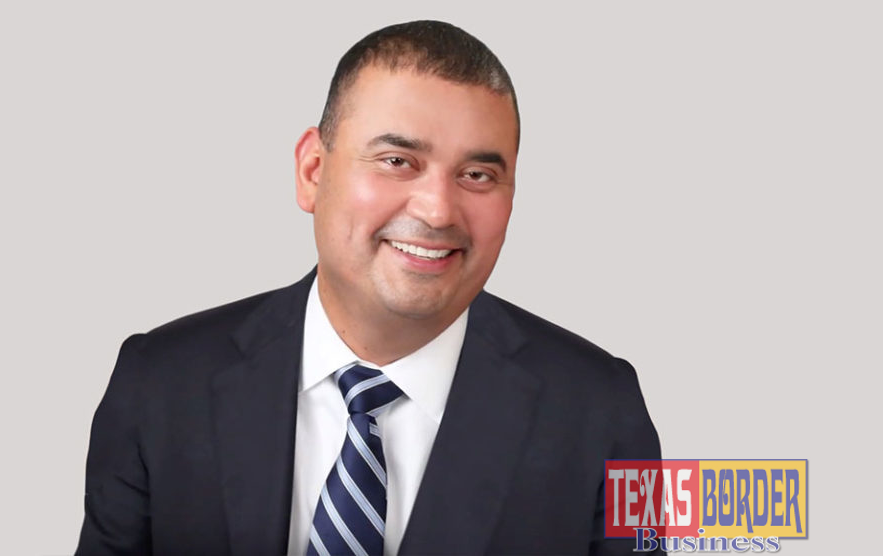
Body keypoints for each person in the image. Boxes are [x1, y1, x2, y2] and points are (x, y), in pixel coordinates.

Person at [76, 20, 661, 556]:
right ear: (312, 171)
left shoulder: (607, 409)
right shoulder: (157, 382)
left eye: (477, 175)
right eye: (397, 161)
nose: (437, 210)